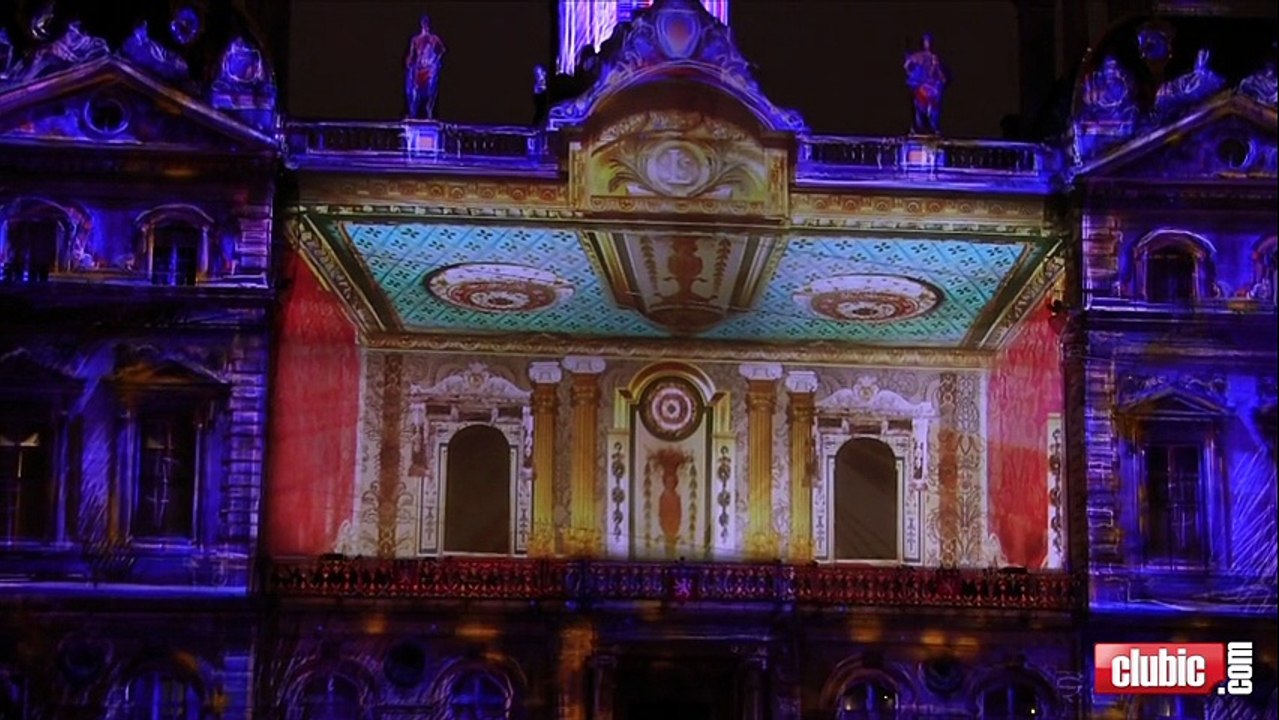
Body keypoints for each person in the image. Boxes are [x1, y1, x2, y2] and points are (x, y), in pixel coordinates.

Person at [904, 33, 950, 135]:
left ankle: (933, 127)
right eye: (925, 41)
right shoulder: (917, 57)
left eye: (929, 41)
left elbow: (940, 75)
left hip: (930, 87)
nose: (927, 44)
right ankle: (918, 128)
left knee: (932, 108)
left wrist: (940, 77)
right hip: (921, 86)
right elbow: (907, 66)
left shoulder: (934, 58)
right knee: (919, 107)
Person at [405, 15, 446, 120]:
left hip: (430, 68)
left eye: (427, 23)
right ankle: (413, 113)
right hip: (420, 68)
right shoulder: (416, 39)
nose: (426, 25)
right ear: (421, 25)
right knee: (415, 92)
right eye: (424, 23)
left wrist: (436, 61)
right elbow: (412, 54)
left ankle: (429, 111)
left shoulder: (434, 39)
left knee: (431, 91)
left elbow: (442, 50)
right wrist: (410, 62)